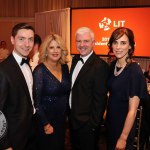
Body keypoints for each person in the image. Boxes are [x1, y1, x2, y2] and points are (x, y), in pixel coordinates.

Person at [106, 27, 148, 150]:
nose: (118, 47)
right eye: (115, 42)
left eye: (123, 43)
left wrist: (123, 137)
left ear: (130, 46)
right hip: (111, 124)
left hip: (124, 127)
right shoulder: (113, 65)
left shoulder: (135, 71)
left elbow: (133, 111)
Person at [69, 27, 109, 150]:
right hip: (73, 121)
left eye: (86, 41)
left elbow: (100, 100)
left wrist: (93, 126)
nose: (82, 45)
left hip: (88, 125)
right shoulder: (75, 59)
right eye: (78, 41)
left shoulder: (100, 66)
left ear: (93, 43)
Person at [0, 23, 38, 150]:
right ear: (12, 40)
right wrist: (5, 144)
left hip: (31, 131)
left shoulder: (27, 64)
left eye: (30, 39)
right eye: (21, 39)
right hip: (14, 136)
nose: (27, 44)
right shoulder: (3, 70)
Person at [33, 33, 70, 150]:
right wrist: (46, 124)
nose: (55, 51)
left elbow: (66, 94)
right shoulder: (39, 71)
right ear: (46, 50)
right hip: (46, 121)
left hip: (61, 120)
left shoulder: (64, 67)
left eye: (58, 47)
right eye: (51, 47)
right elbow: (36, 102)